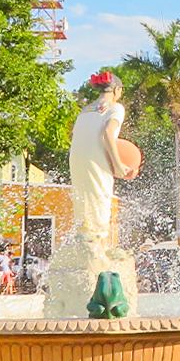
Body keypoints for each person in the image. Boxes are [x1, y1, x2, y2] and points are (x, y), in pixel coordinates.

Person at [70, 71, 138, 238]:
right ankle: (99, 249)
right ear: (116, 90)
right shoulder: (116, 108)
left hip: (76, 158)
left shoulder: (85, 110)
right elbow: (108, 133)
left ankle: (83, 239)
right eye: (121, 90)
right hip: (96, 159)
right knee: (101, 200)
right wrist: (117, 163)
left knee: (83, 201)